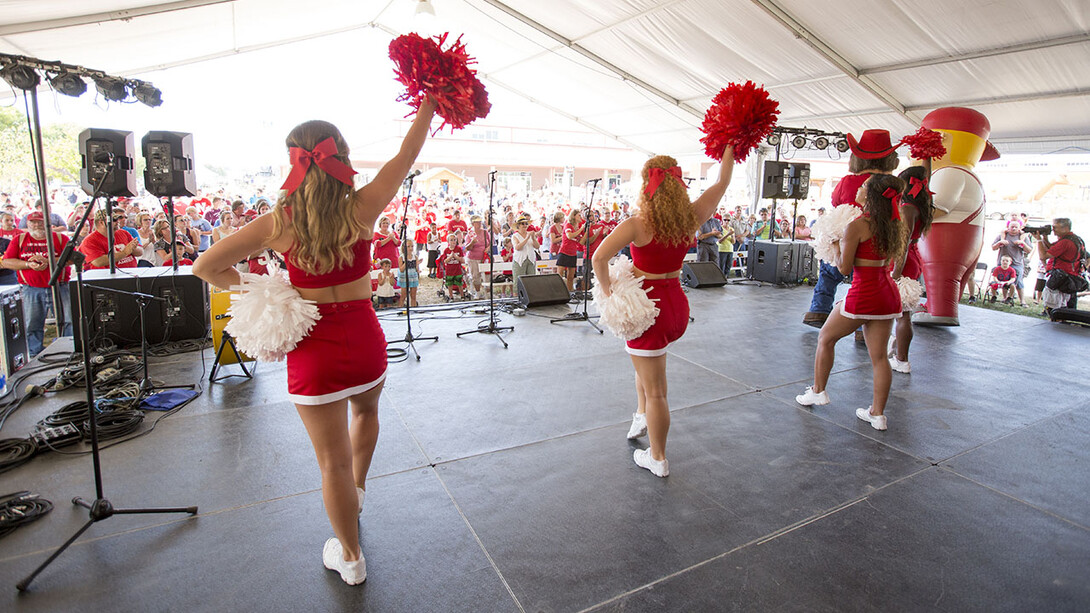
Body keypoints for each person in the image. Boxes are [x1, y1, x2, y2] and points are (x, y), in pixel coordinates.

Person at [192, 100, 436, 586]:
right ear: (341, 156)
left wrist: (264, 292)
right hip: (366, 338)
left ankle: (350, 557)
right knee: (366, 414)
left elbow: (205, 267)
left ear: (293, 162)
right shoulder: (363, 207)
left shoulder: (278, 223)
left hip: (314, 349)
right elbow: (406, 156)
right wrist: (429, 105)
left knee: (331, 463)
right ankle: (358, 492)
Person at [592, 147, 736, 477]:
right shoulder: (691, 217)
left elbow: (599, 259)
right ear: (678, 183)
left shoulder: (636, 225)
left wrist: (610, 292)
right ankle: (641, 413)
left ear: (647, 185)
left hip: (647, 311)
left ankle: (657, 458)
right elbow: (722, 181)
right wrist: (730, 146)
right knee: (647, 370)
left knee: (657, 389)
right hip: (677, 307)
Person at [796, 174, 907, 431]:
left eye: (864, 186)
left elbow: (844, 268)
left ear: (870, 196)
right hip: (887, 296)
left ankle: (818, 391)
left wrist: (834, 245)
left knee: (825, 338)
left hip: (864, 295)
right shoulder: (893, 224)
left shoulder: (857, 226)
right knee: (879, 357)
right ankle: (878, 415)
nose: (859, 188)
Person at [804, 129, 898, 328]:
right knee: (863, 280)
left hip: (844, 235)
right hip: (872, 241)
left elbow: (835, 201)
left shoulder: (848, 181)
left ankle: (819, 310)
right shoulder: (888, 185)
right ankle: (863, 325)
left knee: (829, 273)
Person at [1, 211, 72, 355]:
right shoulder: (19, 239)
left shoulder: (60, 238)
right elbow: (7, 262)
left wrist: (51, 261)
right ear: (27, 224)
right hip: (31, 289)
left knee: (67, 320)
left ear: (48, 223)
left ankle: (68, 350)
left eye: (40, 222)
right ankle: (34, 354)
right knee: (32, 323)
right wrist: (28, 264)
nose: (37, 225)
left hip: (60, 287)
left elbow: (74, 258)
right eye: (33, 222)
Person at [889, 166, 934, 374]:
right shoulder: (921, 206)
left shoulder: (907, 208)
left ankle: (902, 359)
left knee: (903, 313)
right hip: (912, 258)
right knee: (901, 313)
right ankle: (898, 352)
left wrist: (896, 272)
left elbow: (903, 242)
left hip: (904, 261)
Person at [1033, 218, 1086, 310]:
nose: (1052, 230)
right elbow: (1052, 248)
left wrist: (1039, 240)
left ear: (1065, 228)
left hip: (1061, 278)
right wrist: (1045, 238)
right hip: (1070, 277)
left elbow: (1043, 256)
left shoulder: (1065, 242)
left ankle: (1056, 321)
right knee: (1065, 306)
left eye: (1055, 227)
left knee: (1054, 306)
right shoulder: (1075, 239)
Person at [991, 220, 1032, 307]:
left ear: (1019, 228)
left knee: (1019, 282)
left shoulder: (1023, 237)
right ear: (1008, 228)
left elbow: (1029, 250)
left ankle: (1022, 301)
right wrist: (1000, 242)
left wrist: (1022, 243)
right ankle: (1005, 298)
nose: (1013, 228)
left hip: (1017, 263)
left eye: (1016, 227)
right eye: (1012, 227)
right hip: (1002, 263)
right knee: (1003, 280)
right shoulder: (1002, 236)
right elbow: (993, 247)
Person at [557, 209, 586, 292]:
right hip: (564, 252)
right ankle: (558, 291)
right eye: (579, 215)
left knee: (571, 276)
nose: (580, 217)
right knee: (559, 274)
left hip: (573, 253)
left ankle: (570, 291)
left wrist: (586, 232)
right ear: (574, 216)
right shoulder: (568, 225)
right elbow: (569, 236)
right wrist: (581, 229)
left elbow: (580, 242)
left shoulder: (577, 227)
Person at [465, 215, 490, 296]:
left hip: (484, 257)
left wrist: (488, 249)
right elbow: (467, 248)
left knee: (487, 275)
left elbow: (490, 243)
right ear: (473, 224)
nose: (479, 224)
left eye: (480, 222)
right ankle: (478, 292)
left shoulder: (485, 232)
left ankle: (488, 292)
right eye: (477, 223)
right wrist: (472, 242)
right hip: (473, 258)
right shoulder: (470, 234)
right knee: (475, 276)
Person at [511, 216, 539, 283]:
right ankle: (517, 293)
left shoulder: (531, 234)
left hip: (531, 259)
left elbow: (537, 246)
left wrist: (533, 238)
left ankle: (530, 293)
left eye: (526, 223)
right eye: (522, 223)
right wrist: (526, 238)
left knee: (531, 281)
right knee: (519, 281)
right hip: (519, 260)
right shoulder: (515, 236)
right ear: (518, 225)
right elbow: (517, 247)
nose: (525, 225)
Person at [440, 231, 466, 300]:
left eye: (454, 240)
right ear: (448, 242)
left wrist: (456, 257)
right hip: (449, 270)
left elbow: (462, 260)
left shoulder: (459, 249)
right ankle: (451, 296)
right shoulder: (446, 250)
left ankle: (462, 295)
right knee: (450, 284)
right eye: (451, 240)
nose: (453, 241)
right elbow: (445, 261)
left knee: (460, 284)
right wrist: (451, 257)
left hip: (457, 270)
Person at [397, 241, 420, 307]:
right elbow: (401, 269)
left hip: (413, 277)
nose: (410, 248)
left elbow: (416, 269)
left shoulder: (415, 257)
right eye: (408, 246)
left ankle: (414, 309)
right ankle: (400, 308)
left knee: (413, 296)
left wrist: (418, 265)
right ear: (404, 247)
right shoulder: (401, 257)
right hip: (405, 277)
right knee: (403, 296)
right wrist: (406, 261)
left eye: (412, 246)